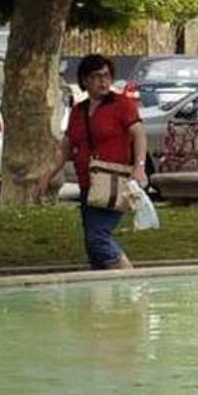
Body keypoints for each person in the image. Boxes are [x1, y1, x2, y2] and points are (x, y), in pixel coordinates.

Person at [34, 54, 148, 270]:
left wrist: (139, 167)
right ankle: (103, 294)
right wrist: (47, 176)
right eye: (97, 77)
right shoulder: (79, 111)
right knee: (93, 245)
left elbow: (139, 134)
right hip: (88, 185)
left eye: (106, 76)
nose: (103, 81)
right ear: (85, 81)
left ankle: (132, 282)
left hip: (113, 183)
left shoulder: (122, 105)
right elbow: (65, 147)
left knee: (98, 239)